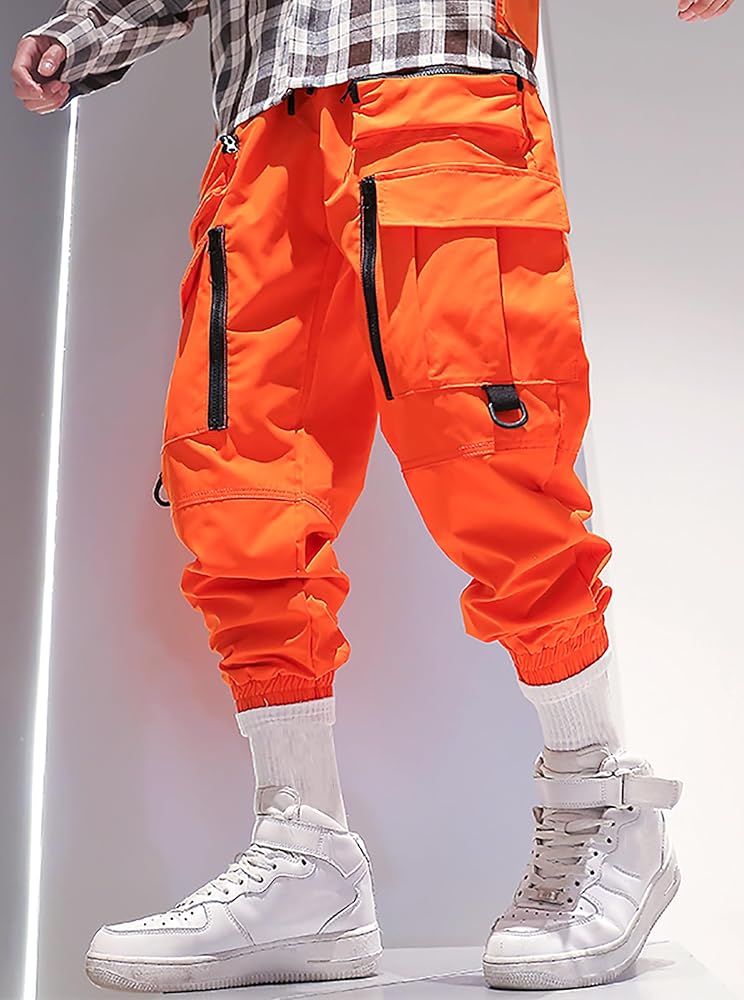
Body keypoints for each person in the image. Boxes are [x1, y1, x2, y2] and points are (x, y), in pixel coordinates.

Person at [11, 0, 733, 991]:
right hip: (261, 128)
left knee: (494, 462)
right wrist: (88, 32)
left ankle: (599, 801)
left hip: (442, 85)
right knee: (239, 495)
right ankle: (305, 853)